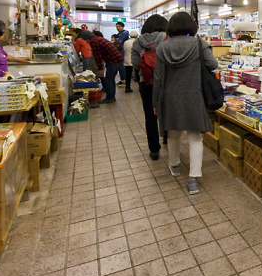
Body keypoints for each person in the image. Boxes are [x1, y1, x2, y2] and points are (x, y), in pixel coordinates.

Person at [154, 12, 218, 195]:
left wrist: (155, 102)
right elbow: (213, 65)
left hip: (170, 97)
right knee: (195, 137)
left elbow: (158, 79)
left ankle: (174, 166)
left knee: (173, 134)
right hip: (194, 96)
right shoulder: (199, 44)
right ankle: (193, 179)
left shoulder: (162, 48)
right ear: (192, 26)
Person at [132, 15, 168, 160]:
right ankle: (167, 137)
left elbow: (135, 64)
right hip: (165, 82)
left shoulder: (137, 42)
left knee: (150, 115)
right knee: (167, 111)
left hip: (145, 82)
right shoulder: (167, 38)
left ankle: (154, 150)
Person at [83, 29, 124, 103]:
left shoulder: (94, 42)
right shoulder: (98, 39)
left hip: (113, 61)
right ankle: (111, 97)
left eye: (85, 40)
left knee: (108, 80)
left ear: (87, 38)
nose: (86, 42)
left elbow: (98, 57)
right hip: (117, 59)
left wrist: (100, 70)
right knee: (111, 79)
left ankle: (110, 98)